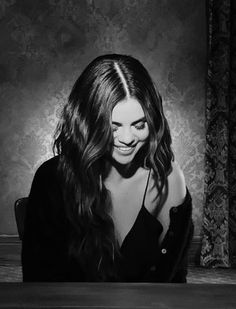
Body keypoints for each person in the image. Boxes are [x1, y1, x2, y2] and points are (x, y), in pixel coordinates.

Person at [22, 54, 194, 282]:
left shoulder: (168, 179)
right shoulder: (52, 178)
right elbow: (38, 283)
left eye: (139, 125)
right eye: (112, 127)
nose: (127, 138)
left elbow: (172, 281)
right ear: (87, 123)